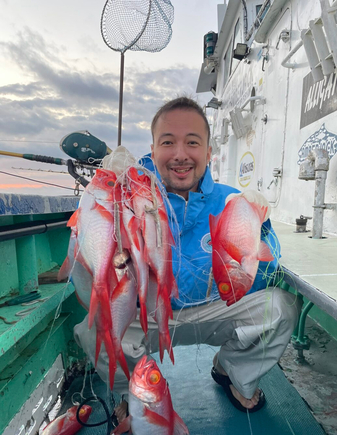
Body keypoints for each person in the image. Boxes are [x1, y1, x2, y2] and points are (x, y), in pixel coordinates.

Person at [74, 97, 301, 415]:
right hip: (150, 316)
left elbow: (265, 269)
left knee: (281, 308)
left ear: (209, 153)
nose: (180, 154)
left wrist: (259, 227)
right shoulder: (125, 198)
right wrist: (103, 199)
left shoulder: (230, 201)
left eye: (192, 142)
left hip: (214, 311)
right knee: (92, 329)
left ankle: (231, 371)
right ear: (153, 151)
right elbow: (91, 253)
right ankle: (132, 390)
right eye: (168, 142)